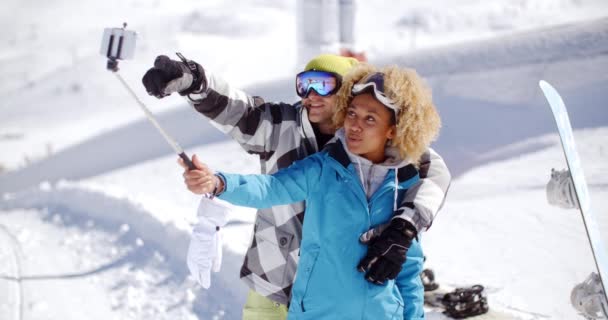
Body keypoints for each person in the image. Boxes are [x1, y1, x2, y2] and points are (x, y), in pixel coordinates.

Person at [142, 54, 451, 319]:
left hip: (336, 295)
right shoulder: (281, 126)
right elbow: (236, 110)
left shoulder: (381, 146)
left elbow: (434, 174)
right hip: (274, 285)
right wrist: (192, 78)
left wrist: (406, 225)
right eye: (305, 84)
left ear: (348, 92)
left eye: (324, 85)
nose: (311, 95)